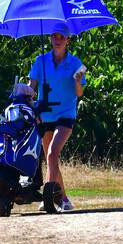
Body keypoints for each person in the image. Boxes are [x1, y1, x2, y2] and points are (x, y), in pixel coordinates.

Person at [27, 29, 86, 211]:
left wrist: (77, 81)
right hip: (44, 115)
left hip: (66, 114)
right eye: (55, 36)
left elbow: (79, 93)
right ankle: (64, 199)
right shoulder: (40, 60)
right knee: (51, 159)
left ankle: (48, 198)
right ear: (50, 38)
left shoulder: (75, 63)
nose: (58, 40)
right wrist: (31, 106)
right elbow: (31, 88)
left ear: (68, 39)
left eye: (62, 37)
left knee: (52, 153)